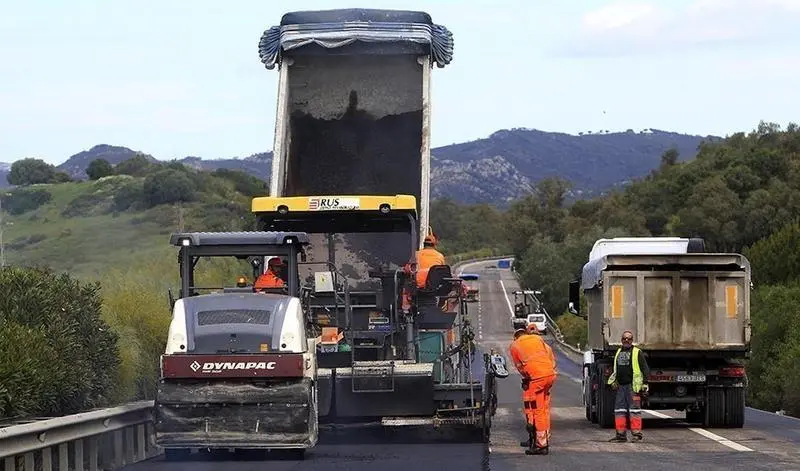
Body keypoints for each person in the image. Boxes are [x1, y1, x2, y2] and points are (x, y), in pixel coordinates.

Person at [509, 324, 557, 455]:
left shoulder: (515, 346)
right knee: (544, 410)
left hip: (536, 379)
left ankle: (540, 445)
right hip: (549, 376)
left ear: (516, 337)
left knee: (537, 411)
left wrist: (527, 378)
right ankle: (543, 440)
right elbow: (549, 359)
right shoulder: (538, 340)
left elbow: (520, 367)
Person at [607, 330, 650, 442]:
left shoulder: (637, 352)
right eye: (624, 339)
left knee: (634, 410)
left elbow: (645, 369)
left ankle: (636, 434)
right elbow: (616, 369)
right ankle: (620, 435)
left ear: (632, 341)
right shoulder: (618, 352)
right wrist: (614, 381)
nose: (626, 341)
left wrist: (645, 384)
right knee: (619, 410)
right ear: (621, 340)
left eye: (629, 339)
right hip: (621, 386)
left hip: (633, 387)